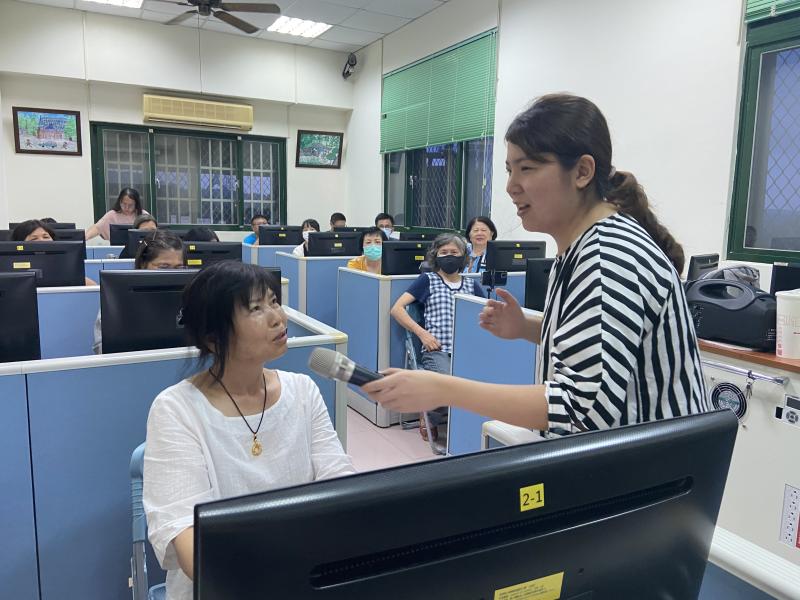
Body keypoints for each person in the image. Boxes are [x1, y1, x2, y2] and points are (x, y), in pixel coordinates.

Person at [364, 93, 708, 436]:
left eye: (527, 168)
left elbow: (577, 409)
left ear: (583, 171)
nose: (512, 187)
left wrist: (443, 389)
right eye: (509, 170)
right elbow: (598, 343)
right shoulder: (581, 247)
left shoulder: (607, 259)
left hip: (647, 475)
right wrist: (528, 328)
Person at [143, 262, 354, 599]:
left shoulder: (303, 390)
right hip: (224, 586)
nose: (277, 317)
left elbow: (339, 482)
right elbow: (187, 538)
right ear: (213, 338)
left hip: (305, 576)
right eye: (256, 308)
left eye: (274, 301)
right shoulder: (176, 409)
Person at [389, 233, 485, 441]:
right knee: (447, 384)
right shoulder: (427, 280)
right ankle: (430, 417)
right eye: (444, 252)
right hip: (437, 349)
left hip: (466, 350)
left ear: (463, 256)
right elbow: (397, 309)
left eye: (454, 252)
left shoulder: (471, 285)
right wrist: (423, 334)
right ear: (435, 256)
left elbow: (484, 313)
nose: (449, 256)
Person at [92, 230, 186, 354]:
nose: (172, 274)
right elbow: (101, 349)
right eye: (164, 267)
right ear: (143, 264)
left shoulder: (191, 297)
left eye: (179, 268)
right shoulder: (119, 297)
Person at [13, 219, 96, 285]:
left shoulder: (67, 271)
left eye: (46, 237)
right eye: (34, 238)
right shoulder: (12, 274)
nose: (42, 241)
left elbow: (94, 290)